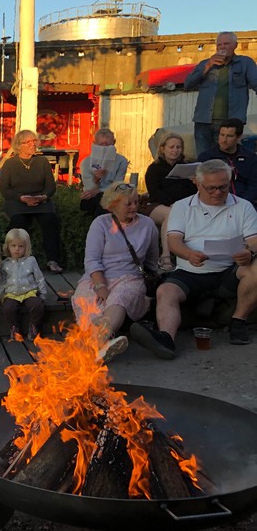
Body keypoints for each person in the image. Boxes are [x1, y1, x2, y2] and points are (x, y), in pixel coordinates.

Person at [130, 160, 257, 359]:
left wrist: (249, 252)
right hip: (190, 270)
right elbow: (174, 241)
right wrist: (188, 254)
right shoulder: (182, 206)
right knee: (165, 291)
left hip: (229, 268)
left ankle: (238, 322)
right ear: (197, 184)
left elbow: (254, 240)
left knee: (255, 266)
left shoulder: (243, 206)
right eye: (211, 188)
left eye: (223, 187)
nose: (218, 192)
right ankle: (166, 339)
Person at [72, 182, 160, 363]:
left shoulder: (148, 225)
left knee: (119, 298)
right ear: (113, 205)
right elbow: (92, 260)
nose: (134, 207)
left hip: (130, 277)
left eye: (136, 202)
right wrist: (100, 285)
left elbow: (152, 259)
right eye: (128, 204)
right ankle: (102, 345)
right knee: (89, 299)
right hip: (98, 277)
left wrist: (154, 278)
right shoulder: (100, 224)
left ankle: (95, 345)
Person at [0, 129, 64, 273]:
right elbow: (4, 190)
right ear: (19, 145)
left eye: (34, 141)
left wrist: (43, 197)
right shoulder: (10, 164)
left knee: (50, 220)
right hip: (17, 201)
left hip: (40, 200)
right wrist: (21, 198)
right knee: (18, 222)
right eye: (28, 142)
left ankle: (52, 260)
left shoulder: (42, 162)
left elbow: (51, 186)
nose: (33, 144)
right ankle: (17, 261)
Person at [184, 32, 257, 156]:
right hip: (204, 122)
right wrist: (208, 66)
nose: (222, 47)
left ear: (235, 45)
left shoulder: (245, 63)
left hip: (231, 124)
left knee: (228, 160)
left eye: (226, 44)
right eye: (219, 45)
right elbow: (188, 84)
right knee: (204, 159)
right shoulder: (205, 63)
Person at [141, 133, 197, 271]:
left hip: (183, 205)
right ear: (163, 148)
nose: (175, 150)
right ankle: (165, 256)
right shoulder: (155, 168)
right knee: (171, 214)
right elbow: (154, 191)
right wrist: (171, 202)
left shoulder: (187, 167)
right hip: (158, 205)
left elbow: (192, 192)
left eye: (178, 147)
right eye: (171, 147)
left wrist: (194, 182)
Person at [0, 228, 47, 342]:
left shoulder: (31, 261)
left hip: (29, 292)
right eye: (13, 245)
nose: (17, 249)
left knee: (37, 305)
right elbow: (2, 282)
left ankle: (34, 325)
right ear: (8, 247)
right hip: (11, 293)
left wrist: (42, 294)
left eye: (21, 246)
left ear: (26, 247)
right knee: (8, 308)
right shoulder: (5, 264)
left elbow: (39, 278)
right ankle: (14, 327)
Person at [196, 118, 257, 205]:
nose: (224, 140)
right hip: (216, 202)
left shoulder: (250, 157)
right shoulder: (206, 157)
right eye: (222, 135)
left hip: (244, 203)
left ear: (238, 137)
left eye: (229, 136)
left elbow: (254, 186)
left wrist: (241, 204)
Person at [78, 128, 130, 217]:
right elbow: (89, 189)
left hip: (112, 195)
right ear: (95, 144)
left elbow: (117, 185)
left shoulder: (121, 161)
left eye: (107, 145)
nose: (104, 147)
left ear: (114, 143)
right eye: (101, 145)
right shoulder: (86, 162)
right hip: (92, 197)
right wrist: (96, 179)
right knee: (96, 201)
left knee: (106, 201)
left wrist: (99, 191)